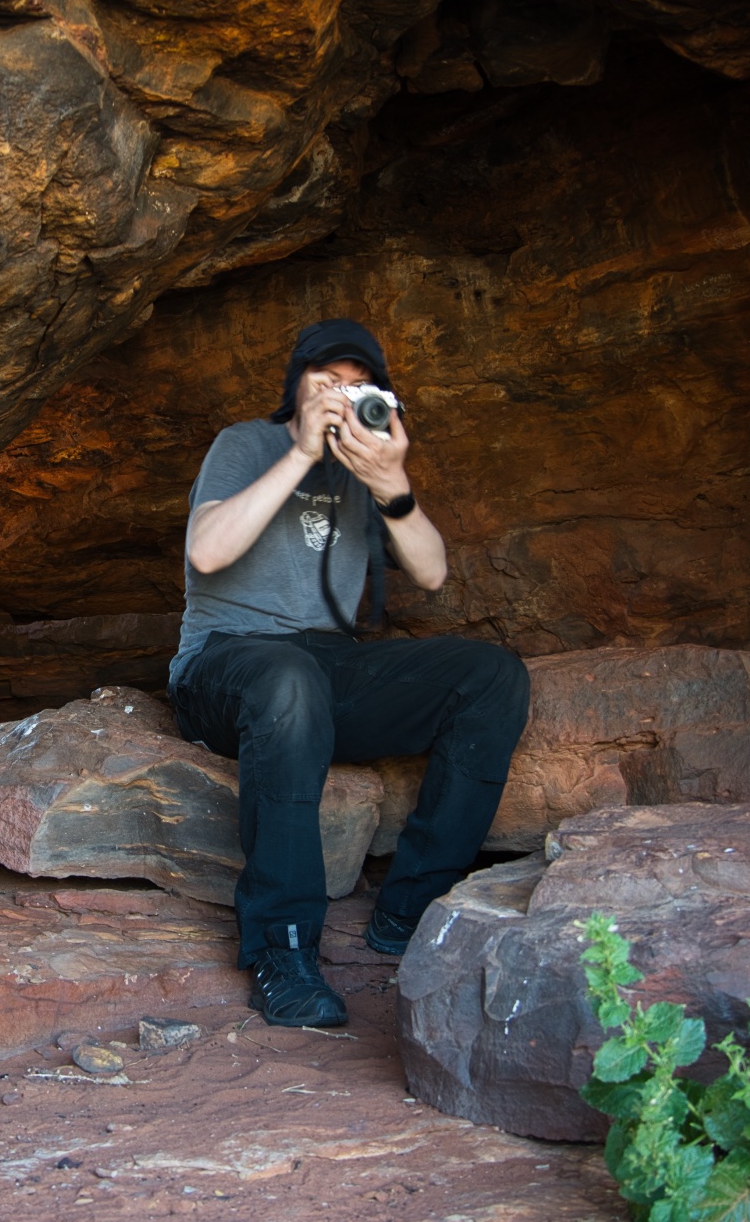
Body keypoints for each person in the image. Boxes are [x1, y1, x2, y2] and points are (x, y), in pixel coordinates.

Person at [166, 318, 530, 1028]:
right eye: (323, 382)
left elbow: (430, 571)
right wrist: (301, 453)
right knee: (288, 679)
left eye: (354, 386)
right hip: (226, 659)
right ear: (294, 388)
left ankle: (412, 910)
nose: (337, 397)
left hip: (324, 663)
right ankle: (284, 949)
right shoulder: (247, 443)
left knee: (491, 674)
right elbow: (207, 551)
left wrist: (391, 482)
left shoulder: (367, 471)